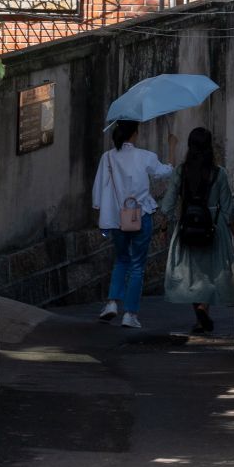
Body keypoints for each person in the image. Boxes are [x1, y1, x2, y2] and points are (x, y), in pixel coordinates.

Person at [91, 119, 171, 328]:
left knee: (121, 260)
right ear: (134, 134)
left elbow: (98, 190)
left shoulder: (107, 157)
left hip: (116, 219)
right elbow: (165, 172)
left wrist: (101, 212)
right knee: (137, 265)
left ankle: (111, 303)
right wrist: (172, 148)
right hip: (140, 215)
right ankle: (130, 314)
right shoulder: (145, 156)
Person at [158, 126, 234, 335]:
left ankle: (199, 313)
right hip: (213, 228)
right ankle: (203, 310)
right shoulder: (219, 173)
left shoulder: (181, 171)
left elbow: (168, 203)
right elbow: (229, 209)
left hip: (187, 227)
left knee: (192, 274)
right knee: (210, 273)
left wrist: (164, 227)